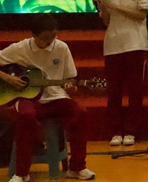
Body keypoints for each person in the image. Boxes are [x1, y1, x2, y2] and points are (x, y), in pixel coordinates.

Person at [0, 15, 96, 181]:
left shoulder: (62, 48)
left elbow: (71, 78)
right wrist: (8, 78)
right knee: (26, 116)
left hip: (56, 97)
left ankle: (77, 167)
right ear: (34, 35)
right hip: (29, 99)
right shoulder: (20, 48)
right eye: (45, 38)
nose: (50, 41)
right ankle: (22, 173)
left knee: (81, 113)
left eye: (54, 36)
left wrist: (71, 87)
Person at [94, 0, 148, 147]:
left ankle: (132, 131)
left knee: (134, 91)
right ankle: (116, 131)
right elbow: (107, 22)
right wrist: (103, 8)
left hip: (135, 44)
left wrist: (115, 6)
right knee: (114, 92)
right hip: (113, 46)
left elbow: (141, 15)